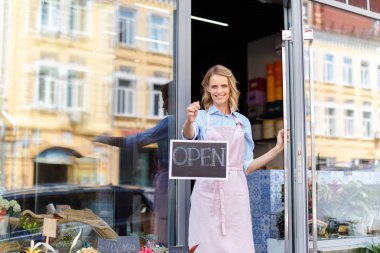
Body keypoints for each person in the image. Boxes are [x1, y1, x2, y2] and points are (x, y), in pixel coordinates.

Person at [182, 65, 285, 253]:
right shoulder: (202, 117)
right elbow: (189, 137)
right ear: (208, 89)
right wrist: (189, 120)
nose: (219, 91)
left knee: (237, 245)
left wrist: (277, 149)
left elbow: (247, 165)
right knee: (205, 244)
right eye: (214, 87)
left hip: (235, 190)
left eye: (223, 86)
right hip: (207, 190)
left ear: (230, 87)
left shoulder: (242, 121)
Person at [94, 82, 174, 245]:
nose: (163, 105)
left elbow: (136, 140)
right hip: (171, 182)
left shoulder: (171, 122)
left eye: (165, 99)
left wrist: (104, 139)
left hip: (168, 183)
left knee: (164, 227)